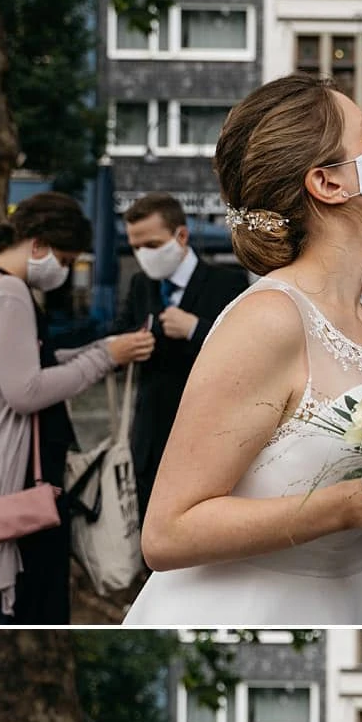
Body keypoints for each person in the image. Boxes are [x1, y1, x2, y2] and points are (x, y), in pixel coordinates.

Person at [123, 73, 362, 627]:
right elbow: (166, 532)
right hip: (236, 611)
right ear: (327, 183)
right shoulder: (270, 319)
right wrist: (346, 507)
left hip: (339, 605)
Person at [0, 192, 154, 622]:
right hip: (23, 474)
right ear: (38, 244)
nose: (64, 271)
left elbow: (27, 363)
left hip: (3, 465)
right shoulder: (8, 293)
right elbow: (26, 390)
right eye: (65, 259)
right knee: (37, 601)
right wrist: (106, 359)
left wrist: (103, 347)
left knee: (27, 599)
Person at [114, 193, 250, 520]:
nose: (143, 254)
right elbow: (117, 334)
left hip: (208, 434)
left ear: (181, 236)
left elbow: (246, 350)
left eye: (151, 244)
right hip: (150, 434)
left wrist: (196, 329)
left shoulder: (227, 281)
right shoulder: (140, 283)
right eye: (135, 247)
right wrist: (125, 347)